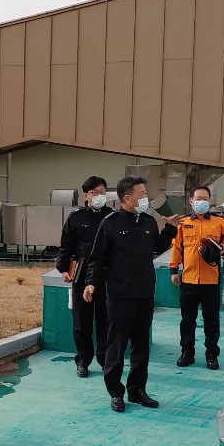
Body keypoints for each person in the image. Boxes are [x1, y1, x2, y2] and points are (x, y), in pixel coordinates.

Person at [84, 176, 182, 412]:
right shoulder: (110, 223)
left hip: (144, 294)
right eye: (142, 194)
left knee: (141, 346)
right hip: (119, 295)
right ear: (127, 198)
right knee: (116, 346)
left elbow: (157, 247)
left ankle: (137, 390)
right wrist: (91, 283)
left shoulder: (148, 221)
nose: (145, 198)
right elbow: (97, 258)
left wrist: (170, 228)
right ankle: (115, 392)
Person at [55, 176, 114, 377]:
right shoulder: (76, 217)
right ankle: (83, 361)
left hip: (106, 276)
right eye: (94, 193)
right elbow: (66, 245)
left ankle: (105, 359)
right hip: (81, 275)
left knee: (106, 320)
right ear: (86, 195)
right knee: (82, 322)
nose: (99, 196)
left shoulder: (113, 217)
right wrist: (63, 269)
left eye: (102, 192)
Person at [169, 186, 224, 370]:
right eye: (198, 199)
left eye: (205, 199)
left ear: (210, 200)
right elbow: (177, 248)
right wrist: (173, 270)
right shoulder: (183, 223)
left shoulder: (219, 222)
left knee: (211, 320)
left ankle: (212, 353)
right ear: (191, 201)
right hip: (188, 279)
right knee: (187, 320)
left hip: (211, 280)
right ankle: (187, 352)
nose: (202, 202)